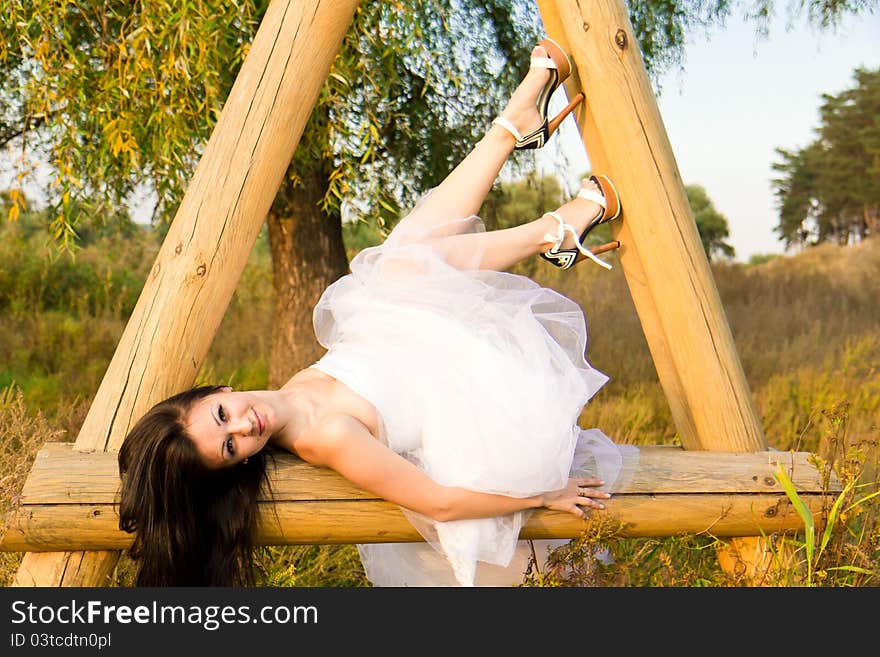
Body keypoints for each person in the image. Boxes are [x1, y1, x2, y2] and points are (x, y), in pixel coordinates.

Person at [118, 38, 639, 587]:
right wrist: (546, 495)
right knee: (403, 264)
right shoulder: (324, 436)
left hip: (432, 350)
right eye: (230, 448)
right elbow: (438, 503)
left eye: (224, 417)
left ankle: (534, 172)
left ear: (213, 393)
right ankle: (538, 199)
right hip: (478, 407)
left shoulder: (291, 394)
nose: (246, 426)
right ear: (238, 464)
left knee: (401, 261)